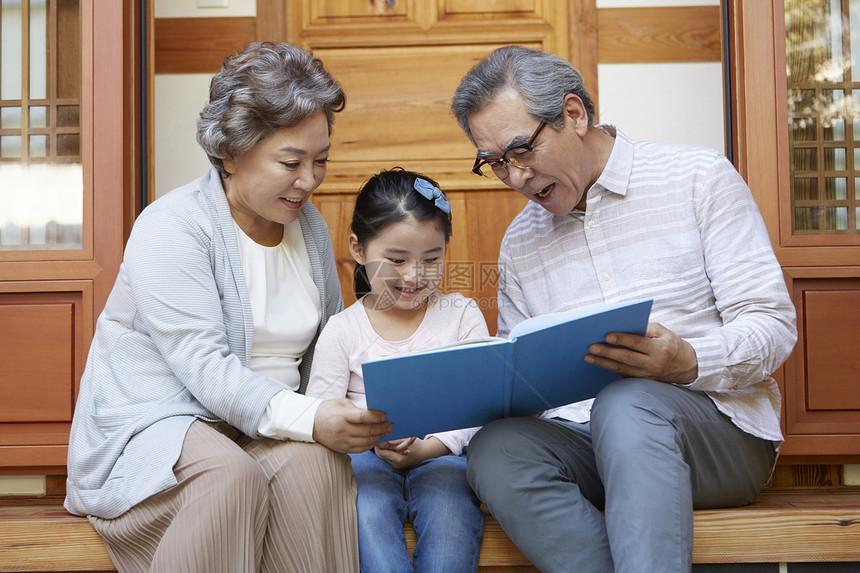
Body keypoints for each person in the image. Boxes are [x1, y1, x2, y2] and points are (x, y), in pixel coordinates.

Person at [449, 45, 798, 573]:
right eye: (495, 163)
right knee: (498, 449)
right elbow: (524, 378)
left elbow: (772, 325)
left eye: (521, 150)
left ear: (573, 114)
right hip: (587, 441)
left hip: (718, 436)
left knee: (628, 403)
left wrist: (688, 361)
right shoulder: (520, 240)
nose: (515, 177)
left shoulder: (698, 178)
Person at [63, 42, 392, 573]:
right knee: (227, 476)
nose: (309, 180)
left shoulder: (306, 225)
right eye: (291, 162)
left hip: (262, 429)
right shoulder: (172, 226)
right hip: (163, 427)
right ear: (231, 153)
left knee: (318, 468)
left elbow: (330, 341)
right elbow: (204, 367)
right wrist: (310, 416)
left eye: (321, 160)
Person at [306, 168, 487, 573]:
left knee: (451, 514)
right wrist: (369, 438)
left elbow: (480, 405)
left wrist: (430, 447)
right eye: (396, 259)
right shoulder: (342, 330)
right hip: (365, 460)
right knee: (364, 510)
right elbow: (321, 410)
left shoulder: (461, 316)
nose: (413, 276)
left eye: (431, 259)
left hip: (443, 456)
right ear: (358, 248)